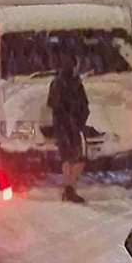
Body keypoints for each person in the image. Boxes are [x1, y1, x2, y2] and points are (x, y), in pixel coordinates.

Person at [46, 54, 90, 204]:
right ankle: (71, 188)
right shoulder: (76, 84)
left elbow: (52, 104)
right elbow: (84, 105)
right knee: (80, 158)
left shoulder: (55, 83)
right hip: (74, 126)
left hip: (61, 126)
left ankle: (68, 188)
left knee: (66, 157)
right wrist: (79, 120)